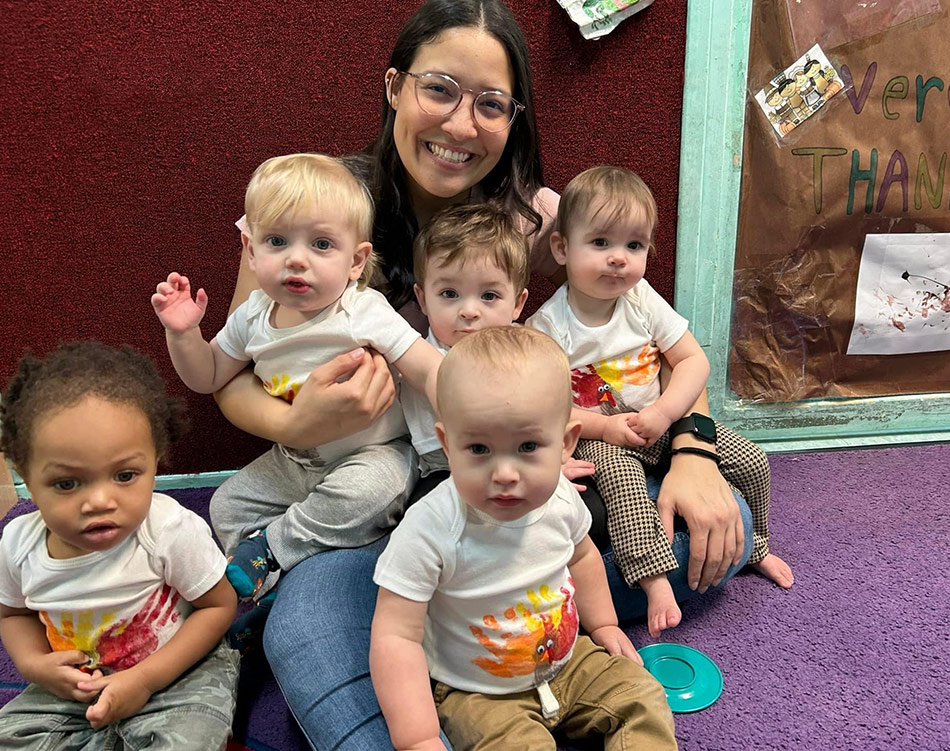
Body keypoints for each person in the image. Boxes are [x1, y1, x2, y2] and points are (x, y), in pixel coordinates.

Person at [210, 1, 758, 747]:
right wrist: (293, 423)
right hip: (371, 508)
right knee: (311, 620)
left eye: (490, 104)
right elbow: (229, 372)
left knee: (716, 524)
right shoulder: (317, 202)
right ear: (395, 86)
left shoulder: (541, 219)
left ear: (514, 118)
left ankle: (501, 636)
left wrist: (693, 447)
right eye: (440, 88)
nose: (462, 124)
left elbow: (651, 336)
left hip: (515, 487)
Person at [150, 153, 442, 605]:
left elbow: (430, 370)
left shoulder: (362, 311)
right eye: (277, 241)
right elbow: (206, 376)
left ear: (356, 261)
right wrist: (184, 333)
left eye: (322, 245)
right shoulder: (253, 317)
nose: (296, 261)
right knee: (225, 505)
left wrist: (486, 410)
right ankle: (260, 589)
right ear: (251, 250)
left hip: (373, 453)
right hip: (293, 459)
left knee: (373, 493)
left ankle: (273, 549)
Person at [371, 326, 676, 751]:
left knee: (642, 695)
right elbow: (395, 636)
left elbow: (584, 557)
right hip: (478, 692)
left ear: (567, 444)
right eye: (478, 449)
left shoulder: (563, 499)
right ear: (447, 443)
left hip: (569, 662)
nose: (505, 474)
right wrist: (418, 736)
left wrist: (603, 623)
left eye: (528, 446)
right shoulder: (429, 528)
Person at [528, 166, 794, 637]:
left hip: (660, 422)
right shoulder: (548, 328)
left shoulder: (642, 300)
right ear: (561, 248)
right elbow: (545, 410)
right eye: (601, 243)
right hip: (600, 436)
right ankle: (654, 581)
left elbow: (692, 362)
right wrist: (607, 428)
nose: (618, 260)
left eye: (634, 246)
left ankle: (756, 546)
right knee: (625, 485)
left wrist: (665, 413)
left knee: (751, 459)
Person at [0, 341, 239, 750]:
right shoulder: (18, 544)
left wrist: (145, 680)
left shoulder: (167, 530)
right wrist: (36, 665)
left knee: (192, 738)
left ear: (155, 458)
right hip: (73, 689)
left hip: (177, 676)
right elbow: (13, 615)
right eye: (67, 483)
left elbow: (218, 607)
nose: (99, 502)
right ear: (25, 475)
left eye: (125, 475)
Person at [402, 201, 530, 496]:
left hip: (519, 463)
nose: (469, 310)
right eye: (449, 293)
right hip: (442, 469)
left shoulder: (529, 351)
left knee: (590, 511)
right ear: (422, 300)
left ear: (518, 304)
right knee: (431, 515)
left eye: (489, 295)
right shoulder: (416, 355)